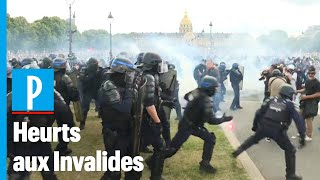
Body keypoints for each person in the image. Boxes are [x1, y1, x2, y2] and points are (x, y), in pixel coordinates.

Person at [232, 85, 305, 180]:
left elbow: (258, 113)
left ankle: (238, 151)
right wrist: (302, 137)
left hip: (264, 126)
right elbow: (298, 120)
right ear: (290, 95)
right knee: (290, 150)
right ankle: (290, 175)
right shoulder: (290, 104)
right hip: (278, 130)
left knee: (253, 139)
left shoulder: (270, 99)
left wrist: (255, 126)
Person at [166, 75, 233, 174]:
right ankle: (153, 161)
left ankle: (205, 165)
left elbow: (186, 96)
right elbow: (211, 121)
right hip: (188, 126)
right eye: (214, 87)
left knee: (210, 138)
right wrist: (224, 119)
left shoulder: (197, 92)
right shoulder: (206, 100)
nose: (215, 90)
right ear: (209, 88)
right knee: (172, 149)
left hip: (190, 123)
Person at [98, 57, 142, 180]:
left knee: (133, 168)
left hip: (125, 130)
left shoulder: (119, 85)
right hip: (114, 132)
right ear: (121, 71)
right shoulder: (109, 86)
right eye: (129, 73)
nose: (131, 76)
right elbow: (124, 108)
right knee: (113, 171)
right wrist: (129, 87)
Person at [137, 52, 167, 180]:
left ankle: (150, 162)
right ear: (153, 64)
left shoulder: (145, 74)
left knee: (156, 144)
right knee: (160, 146)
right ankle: (156, 176)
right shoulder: (149, 77)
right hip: (147, 118)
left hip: (143, 117)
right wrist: (158, 122)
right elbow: (149, 103)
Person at [52, 58, 78, 155]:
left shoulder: (49, 77)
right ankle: (61, 148)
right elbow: (72, 93)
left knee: (61, 126)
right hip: (63, 106)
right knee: (69, 127)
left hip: (51, 106)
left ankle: (63, 147)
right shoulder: (65, 78)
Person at [78, 58, 103, 130]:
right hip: (88, 91)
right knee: (84, 109)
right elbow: (82, 80)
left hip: (97, 90)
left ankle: (104, 123)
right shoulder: (85, 70)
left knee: (102, 106)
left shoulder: (100, 71)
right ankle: (82, 123)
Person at [297, 66, 320, 141]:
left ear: (315, 73)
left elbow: (318, 94)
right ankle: (302, 131)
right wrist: (297, 91)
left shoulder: (317, 83)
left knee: (308, 119)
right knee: (301, 116)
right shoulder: (307, 80)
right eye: (309, 73)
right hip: (305, 102)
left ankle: (309, 135)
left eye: (312, 73)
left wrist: (306, 97)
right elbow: (306, 89)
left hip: (312, 102)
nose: (311, 74)